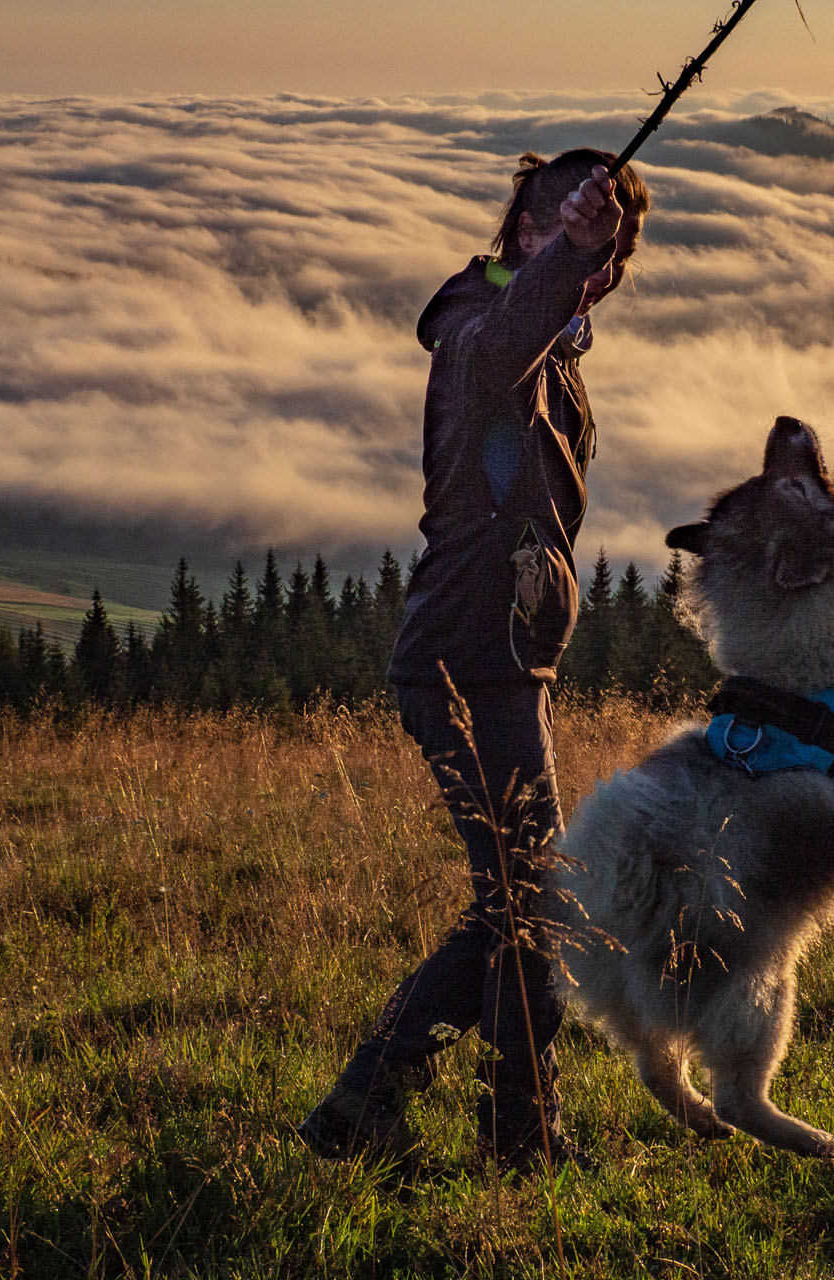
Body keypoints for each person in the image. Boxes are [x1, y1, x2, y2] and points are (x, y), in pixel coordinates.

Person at [299, 148, 650, 1172]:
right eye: (587, 238)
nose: (605, 263)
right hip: (463, 658)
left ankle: (444, 1120)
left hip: (497, 659)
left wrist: (570, 267)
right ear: (527, 233)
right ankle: (477, 1125)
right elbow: (500, 352)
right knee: (533, 895)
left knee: (519, 896)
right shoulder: (474, 320)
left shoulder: (547, 331)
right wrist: (563, 263)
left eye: (618, 246)